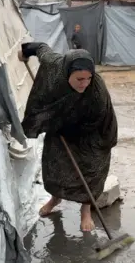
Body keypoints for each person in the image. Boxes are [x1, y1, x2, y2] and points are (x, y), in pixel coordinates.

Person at [18, 42, 118, 232]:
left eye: (88, 78)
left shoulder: (97, 92)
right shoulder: (55, 65)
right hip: (61, 123)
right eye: (80, 78)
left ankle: (86, 209)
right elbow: (41, 48)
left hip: (92, 133)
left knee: (91, 168)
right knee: (55, 163)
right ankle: (55, 198)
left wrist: (65, 125)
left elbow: (97, 121)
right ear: (68, 72)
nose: (85, 83)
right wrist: (24, 52)